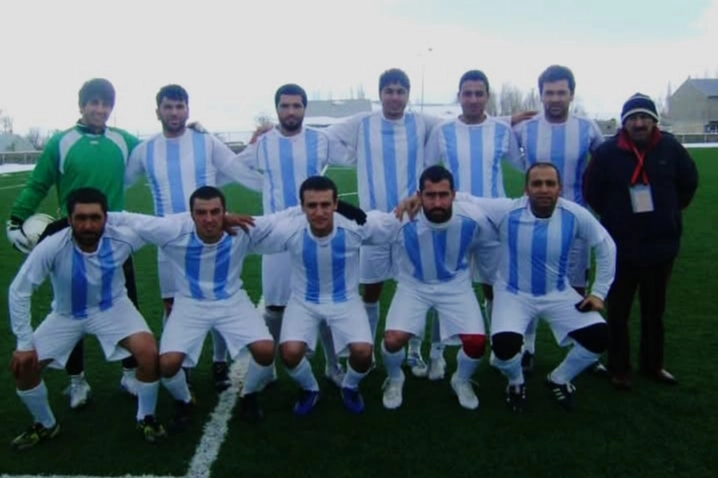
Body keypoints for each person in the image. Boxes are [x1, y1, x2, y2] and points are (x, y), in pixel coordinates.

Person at [5, 78, 142, 409]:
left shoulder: (124, 141)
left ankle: (130, 373)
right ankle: (77, 380)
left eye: (105, 104)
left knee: (127, 302)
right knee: (71, 308)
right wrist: (16, 218)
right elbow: (38, 184)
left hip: (114, 238)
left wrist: (191, 131)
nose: (100, 109)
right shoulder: (61, 142)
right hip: (72, 236)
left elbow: (160, 151)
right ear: (81, 106)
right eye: (93, 102)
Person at [124, 84, 264, 393]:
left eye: (180, 107)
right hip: (169, 243)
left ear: (187, 109)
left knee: (217, 298)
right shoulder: (145, 150)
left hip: (211, 236)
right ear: (158, 111)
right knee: (172, 305)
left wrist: (274, 185)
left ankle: (218, 361)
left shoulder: (206, 142)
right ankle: (183, 367)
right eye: (168, 107)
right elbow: (119, 181)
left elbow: (237, 169)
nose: (174, 112)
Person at [8, 188, 166, 450]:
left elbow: (167, 227)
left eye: (95, 217)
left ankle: (146, 417)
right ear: (69, 219)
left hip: (114, 308)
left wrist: (222, 219)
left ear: (106, 218)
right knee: (24, 367)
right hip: (66, 315)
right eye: (80, 218)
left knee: (148, 352)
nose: (88, 225)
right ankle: (45, 423)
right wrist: (24, 344)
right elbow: (19, 291)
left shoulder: (123, 238)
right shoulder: (52, 246)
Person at [107, 186, 281, 423]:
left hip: (232, 301)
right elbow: (130, 219)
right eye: (201, 212)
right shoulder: (172, 231)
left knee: (266, 350)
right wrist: (75, 221)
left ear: (225, 212)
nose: (209, 219)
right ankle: (185, 400)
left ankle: (249, 394)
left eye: (215, 212)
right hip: (190, 304)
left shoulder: (241, 229)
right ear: (191, 215)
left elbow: (279, 219)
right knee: (168, 364)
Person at [465, 163, 615, 412]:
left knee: (600, 337)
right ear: (526, 189)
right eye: (537, 184)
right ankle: (516, 381)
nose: (543, 189)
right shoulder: (508, 210)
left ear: (559, 188)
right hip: (513, 294)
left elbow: (605, 245)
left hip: (558, 293)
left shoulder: (574, 214)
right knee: (503, 347)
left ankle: (559, 379)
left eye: (550, 184)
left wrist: (599, 292)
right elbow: (466, 199)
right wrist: (418, 199)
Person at [583, 93, 699, 390]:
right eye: (633, 118)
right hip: (620, 248)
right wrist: (615, 217)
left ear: (654, 121)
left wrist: (669, 213)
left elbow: (689, 182)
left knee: (654, 311)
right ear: (624, 123)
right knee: (618, 312)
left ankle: (653, 365)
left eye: (645, 117)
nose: (639, 123)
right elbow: (592, 191)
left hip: (661, 247)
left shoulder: (671, 148)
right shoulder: (607, 153)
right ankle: (619, 368)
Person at [236, 83, 348, 388]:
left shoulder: (320, 140)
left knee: (324, 303)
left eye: (296, 106)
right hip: (276, 235)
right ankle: (268, 366)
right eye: (285, 106)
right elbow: (230, 167)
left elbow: (353, 155)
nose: (290, 111)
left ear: (304, 109)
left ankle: (333, 365)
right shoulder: (262, 144)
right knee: (274, 306)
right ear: (277, 109)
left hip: (315, 232)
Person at [246, 176, 386, 415]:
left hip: (345, 300)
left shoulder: (354, 225)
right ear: (302, 207)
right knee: (289, 352)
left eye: (325, 205)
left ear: (336, 204)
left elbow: (392, 223)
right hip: (304, 301)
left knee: (363, 353)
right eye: (312, 205)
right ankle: (310, 389)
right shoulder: (290, 230)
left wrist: (414, 204)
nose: (319, 212)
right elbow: (257, 232)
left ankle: (350, 386)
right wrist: (225, 220)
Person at [424, 69, 524, 379]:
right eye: (467, 94)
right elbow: (428, 172)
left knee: (495, 287)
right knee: (445, 287)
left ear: (487, 96)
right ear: (459, 96)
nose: (473, 99)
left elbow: (524, 167)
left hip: (492, 223)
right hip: (452, 220)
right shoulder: (443, 131)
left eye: (479, 93)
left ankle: (499, 348)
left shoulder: (502, 130)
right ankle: (437, 354)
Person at [512, 65, 607, 375]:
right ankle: (527, 347)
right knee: (530, 284)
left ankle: (581, 345)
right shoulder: (525, 129)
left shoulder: (587, 128)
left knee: (576, 285)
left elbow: (607, 161)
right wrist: (509, 118)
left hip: (574, 221)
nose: (555, 98)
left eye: (561, 92)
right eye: (549, 93)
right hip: (532, 220)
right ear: (540, 95)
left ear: (571, 94)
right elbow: (494, 135)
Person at [380, 165, 493, 411]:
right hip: (413, 286)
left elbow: (495, 230)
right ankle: (395, 378)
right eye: (430, 195)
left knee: (476, 343)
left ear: (454, 195)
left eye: (443, 195)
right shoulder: (402, 218)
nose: (438, 202)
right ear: (419, 196)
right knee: (393, 340)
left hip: (455, 286)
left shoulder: (473, 217)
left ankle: (461, 380)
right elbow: (364, 226)